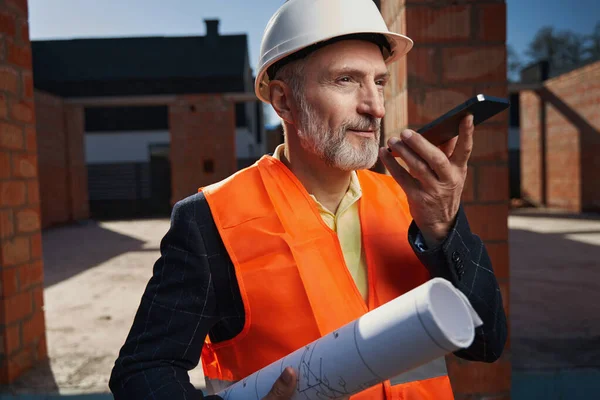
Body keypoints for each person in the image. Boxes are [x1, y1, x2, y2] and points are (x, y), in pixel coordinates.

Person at [109, 0, 507, 399]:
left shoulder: (415, 203)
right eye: (346, 80)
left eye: (380, 82)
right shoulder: (212, 221)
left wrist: (444, 230)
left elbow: (485, 344)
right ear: (284, 102)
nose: (375, 107)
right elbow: (142, 370)